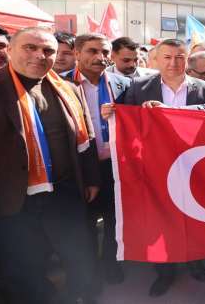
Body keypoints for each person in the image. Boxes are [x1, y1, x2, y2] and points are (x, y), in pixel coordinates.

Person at [101, 38, 205, 297]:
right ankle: (165, 272)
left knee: (194, 216)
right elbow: (124, 115)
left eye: (179, 57)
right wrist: (112, 112)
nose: (173, 63)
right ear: (155, 59)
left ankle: (196, 261)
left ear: (187, 59)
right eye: (167, 57)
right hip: (155, 167)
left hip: (194, 163)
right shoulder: (139, 86)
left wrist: (175, 113)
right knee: (160, 219)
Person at [0, 27, 100, 304]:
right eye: (30, 47)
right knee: (25, 262)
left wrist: (91, 179)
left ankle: (81, 294)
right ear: (10, 49)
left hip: (65, 190)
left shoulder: (69, 89)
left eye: (47, 51)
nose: (39, 56)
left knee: (78, 252)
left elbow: (87, 138)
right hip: (14, 197)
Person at [65, 33, 131, 286]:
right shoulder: (60, 84)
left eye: (104, 52)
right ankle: (89, 270)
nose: (100, 58)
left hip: (115, 167)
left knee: (116, 221)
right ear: (77, 53)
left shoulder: (122, 83)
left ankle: (111, 265)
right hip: (80, 169)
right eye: (92, 51)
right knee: (85, 224)